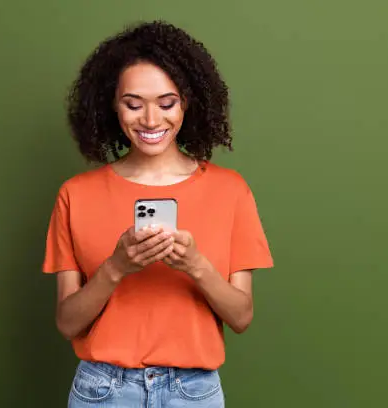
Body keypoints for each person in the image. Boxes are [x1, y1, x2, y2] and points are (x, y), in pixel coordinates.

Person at [42, 20, 273, 407]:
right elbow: (68, 323)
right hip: (102, 391)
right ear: (111, 105)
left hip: (193, 392)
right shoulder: (76, 195)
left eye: (166, 103)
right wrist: (116, 267)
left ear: (188, 102)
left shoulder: (230, 190)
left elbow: (241, 317)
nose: (150, 121)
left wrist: (195, 264)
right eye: (133, 104)